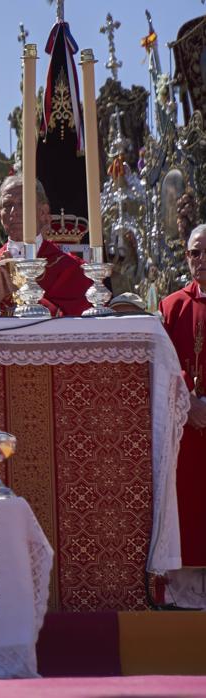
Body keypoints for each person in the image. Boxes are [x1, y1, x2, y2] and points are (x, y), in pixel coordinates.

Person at [0, 175, 91, 317]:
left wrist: (21, 289)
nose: (14, 212)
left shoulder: (68, 268)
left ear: (43, 213)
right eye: (7, 205)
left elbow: (79, 323)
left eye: (23, 203)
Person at [158, 224, 206, 608]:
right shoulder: (171, 306)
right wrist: (188, 404)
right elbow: (163, 366)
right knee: (189, 506)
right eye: (195, 252)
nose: (201, 259)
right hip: (185, 428)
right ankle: (186, 595)